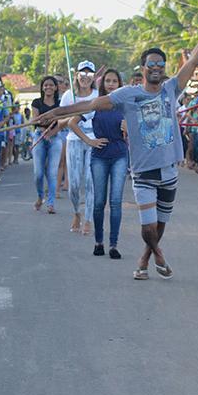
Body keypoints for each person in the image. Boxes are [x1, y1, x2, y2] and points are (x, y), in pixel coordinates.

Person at [35, 4, 198, 280]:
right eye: (152, 65)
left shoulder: (173, 88)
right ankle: (158, 254)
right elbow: (89, 104)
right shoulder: (127, 95)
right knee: (148, 227)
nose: (157, 69)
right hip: (143, 172)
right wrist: (54, 113)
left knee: (160, 224)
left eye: (161, 65)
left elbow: (194, 61)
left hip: (170, 169)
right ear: (143, 68)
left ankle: (144, 259)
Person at [69, 69, 127, 258]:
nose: (111, 84)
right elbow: (72, 122)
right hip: (99, 156)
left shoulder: (125, 105)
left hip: (119, 155)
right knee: (99, 201)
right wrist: (89, 141)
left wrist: (130, 127)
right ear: (103, 84)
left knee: (116, 202)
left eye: (115, 81)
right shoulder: (96, 105)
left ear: (120, 84)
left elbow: (140, 129)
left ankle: (114, 245)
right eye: (108, 81)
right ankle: (99, 242)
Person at [60, 61, 99, 235]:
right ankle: (77, 212)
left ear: (94, 77)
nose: (85, 77)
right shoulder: (69, 96)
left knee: (91, 183)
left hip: (93, 141)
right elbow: (59, 120)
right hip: (74, 140)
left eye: (89, 74)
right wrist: (71, 116)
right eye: (82, 74)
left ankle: (88, 219)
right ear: (76, 75)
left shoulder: (99, 95)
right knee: (74, 184)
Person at [31, 76, 62, 214]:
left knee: (52, 172)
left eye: (51, 85)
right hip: (39, 136)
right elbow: (36, 120)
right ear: (42, 87)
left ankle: (50, 203)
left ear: (56, 87)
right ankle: (40, 196)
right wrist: (44, 132)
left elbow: (62, 122)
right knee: (38, 173)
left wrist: (51, 132)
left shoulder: (60, 104)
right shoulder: (36, 102)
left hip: (55, 138)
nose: (48, 87)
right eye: (45, 85)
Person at [55, 75, 70, 194]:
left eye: (62, 83)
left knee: (65, 159)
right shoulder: (53, 98)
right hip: (56, 130)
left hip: (67, 129)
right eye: (58, 82)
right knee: (59, 160)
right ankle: (56, 185)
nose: (60, 85)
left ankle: (66, 183)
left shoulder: (69, 96)